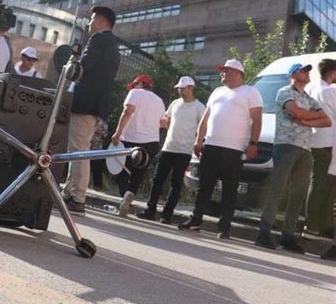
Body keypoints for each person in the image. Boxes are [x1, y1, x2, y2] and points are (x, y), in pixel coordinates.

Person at [179, 59, 263, 239]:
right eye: (222, 71)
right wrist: (198, 139)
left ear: (236, 72)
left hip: (233, 149)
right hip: (211, 146)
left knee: (229, 189)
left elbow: (257, 120)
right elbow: (206, 117)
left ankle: (224, 227)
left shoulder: (251, 92)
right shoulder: (217, 91)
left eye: (225, 71)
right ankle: (196, 221)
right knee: (205, 186)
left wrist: (253, 143)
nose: (222, 74)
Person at [255, 62, 331, 253]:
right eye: (303, 71)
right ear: (293, 74)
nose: (307, 73)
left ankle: (287, 238)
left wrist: (305, 120)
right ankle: (263, 235)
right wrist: (308, 116)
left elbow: (327, 120)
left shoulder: (309, 98)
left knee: (297, 194)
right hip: (286, 146)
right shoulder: (284, 92)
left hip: (305, 149)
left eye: (307, 71)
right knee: (277, 190)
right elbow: (294, 111)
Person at [61, 6, 120, 215]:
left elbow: (82, 67)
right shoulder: (114, 45)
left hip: (84, 102)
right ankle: (69, 192)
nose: (89, 22)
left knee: (79, 149)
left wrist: (71, 64)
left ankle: (78, 198)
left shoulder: (98, 40)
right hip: (96, 105)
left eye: (92, 18)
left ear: (102, 20)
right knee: (77, 148)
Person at [137, 76, 206, 224]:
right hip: (168, 147)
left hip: (185, 151)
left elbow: (203, 127)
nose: (180, 91)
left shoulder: (200, 108)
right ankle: (150, 210)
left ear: (191, 88)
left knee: (176, 183)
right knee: (157, 179)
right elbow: (166, 120)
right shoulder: (175, 103)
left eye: (183, 88)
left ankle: (166, 214)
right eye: (179, 88)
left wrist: (196, 141)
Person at [111, 74, 167, 218]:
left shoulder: (134, 93)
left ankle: (125, 194)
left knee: (120, 168)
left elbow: (127, 111)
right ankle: (130, 194)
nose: (132, 87)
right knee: (138, 173)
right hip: (151, 142)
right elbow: (162, 124)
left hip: (131, 139)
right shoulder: (159, 100)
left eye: (134, 85)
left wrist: (117, 133)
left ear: (139, 84)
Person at [305, 58, 336, 237]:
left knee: (316, 182)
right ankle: (312, 225)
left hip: (312, 139)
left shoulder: (310, 88)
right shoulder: (328, 92)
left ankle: (316, 224)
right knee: (319, 184)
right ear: (332, 73)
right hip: (326, 142)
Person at [89, 117, 108, 190]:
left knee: (97, 166)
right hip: (86, 147)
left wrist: (97, 130)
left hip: (97, 148)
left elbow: (105, 134)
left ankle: (97, 185)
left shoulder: (103, 123)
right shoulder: (89, 119)